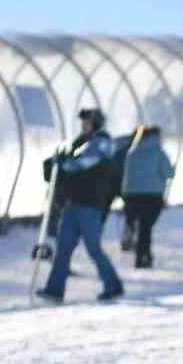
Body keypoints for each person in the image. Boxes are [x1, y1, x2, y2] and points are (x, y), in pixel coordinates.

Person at [36, 107, 124, 303]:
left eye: (87, 123)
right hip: (73, 204)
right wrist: (58, 161)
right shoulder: (81, 144)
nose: (83, 126)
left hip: (90, 206)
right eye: (83, 123)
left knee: (93, 248)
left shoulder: (101, 145)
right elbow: (71, 165)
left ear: (95, 125)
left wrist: (64, 162)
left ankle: (113, 285)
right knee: (64, 248)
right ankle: (55, 289)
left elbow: (82, 164)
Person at [121, 125, 174, 269]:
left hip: (133, 196)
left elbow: (126, 175)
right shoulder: (158, 152)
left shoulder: (132, 152)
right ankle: (143, 256)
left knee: (142, 226)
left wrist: (125, 196)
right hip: (153, 196)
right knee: (146, 227)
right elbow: (169, 173)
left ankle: (142, 251)